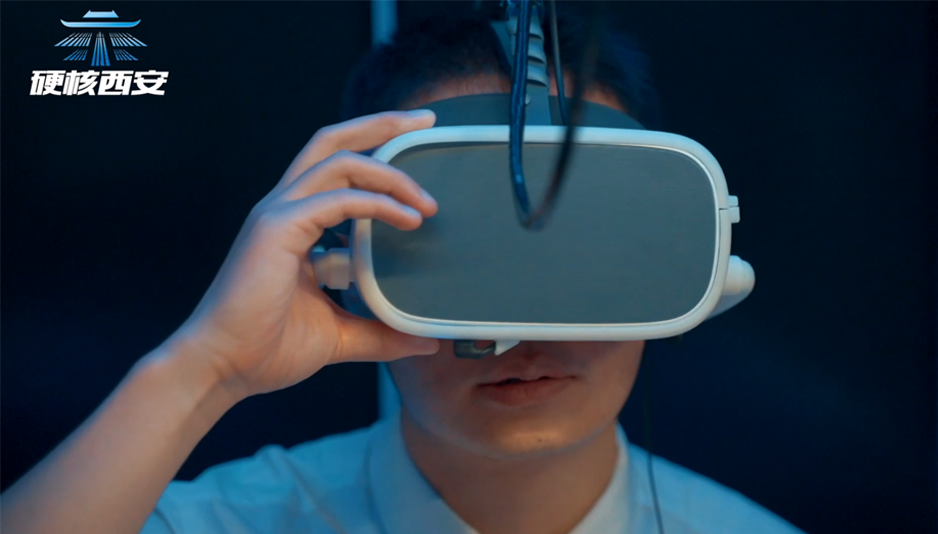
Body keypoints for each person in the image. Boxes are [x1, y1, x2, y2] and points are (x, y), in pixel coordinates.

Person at [1, 10, 805, 534]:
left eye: (575, 247)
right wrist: (208, 366)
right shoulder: (221, 521)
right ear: (352, 262)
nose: (522, 331)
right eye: (466, 251)